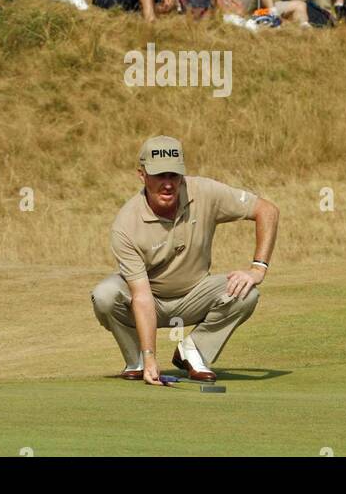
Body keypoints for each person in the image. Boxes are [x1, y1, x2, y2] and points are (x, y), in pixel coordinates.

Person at [91, 135, 279, 384]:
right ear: (142, 175)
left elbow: (267, 210)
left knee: (246, 293)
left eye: (173, 175)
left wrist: (258, 269)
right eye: (159, 175)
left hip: (195, 295)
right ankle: (137, 358)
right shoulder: (126, 224)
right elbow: (142, 296)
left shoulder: (203, 191)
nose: (168, 184)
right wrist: (150, 356)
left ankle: (193, 351)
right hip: (150, 298)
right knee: (105, 295)